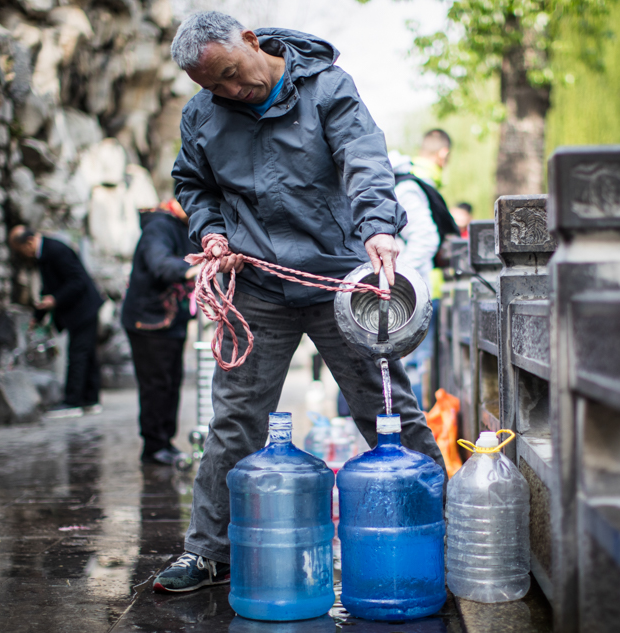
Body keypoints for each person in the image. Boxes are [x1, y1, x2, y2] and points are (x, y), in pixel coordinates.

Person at [153, 11, 444, 593]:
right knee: (234, 421)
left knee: (387, 411)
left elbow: (363, 157)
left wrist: (378, 226)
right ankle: (208, 553)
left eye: (232, 73)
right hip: (258, 286)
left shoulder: (326, 87)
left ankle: (444, 528)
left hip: (340, 283)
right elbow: (193, 184)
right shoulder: (202, 116)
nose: (232, 90)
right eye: (215, 86)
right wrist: (213, 231)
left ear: (250, 41)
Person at [121, 200, 201, 466]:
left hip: (171, 320)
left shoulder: (184, 226)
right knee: (156, 385)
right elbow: (160, 263)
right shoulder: (159, 226)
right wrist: (191, 270)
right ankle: (154, 446)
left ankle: (165, 442)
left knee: (171, 382)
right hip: (149, 321)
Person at [388, 130, 459, 408]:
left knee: (416, 367)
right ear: (443, 154)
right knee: (414, 367)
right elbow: (427, 238)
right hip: (413, 294)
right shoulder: (411, 184)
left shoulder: (405, 182)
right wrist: (401, 282)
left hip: (414, 293)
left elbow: (422, 237)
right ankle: (412, 426)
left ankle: (412, 426)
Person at [8, 226, 104, 418]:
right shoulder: (44, 253)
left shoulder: (56, 250)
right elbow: (49, 287)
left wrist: (55, 299)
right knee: (87, 355)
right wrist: (38, 316)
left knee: (78, 355)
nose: (23, 255)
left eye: (21, 250)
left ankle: (73, 402)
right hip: (81, 310)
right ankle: (90, 400)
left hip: (84, 309)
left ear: (29, 242)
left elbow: (77, 280)